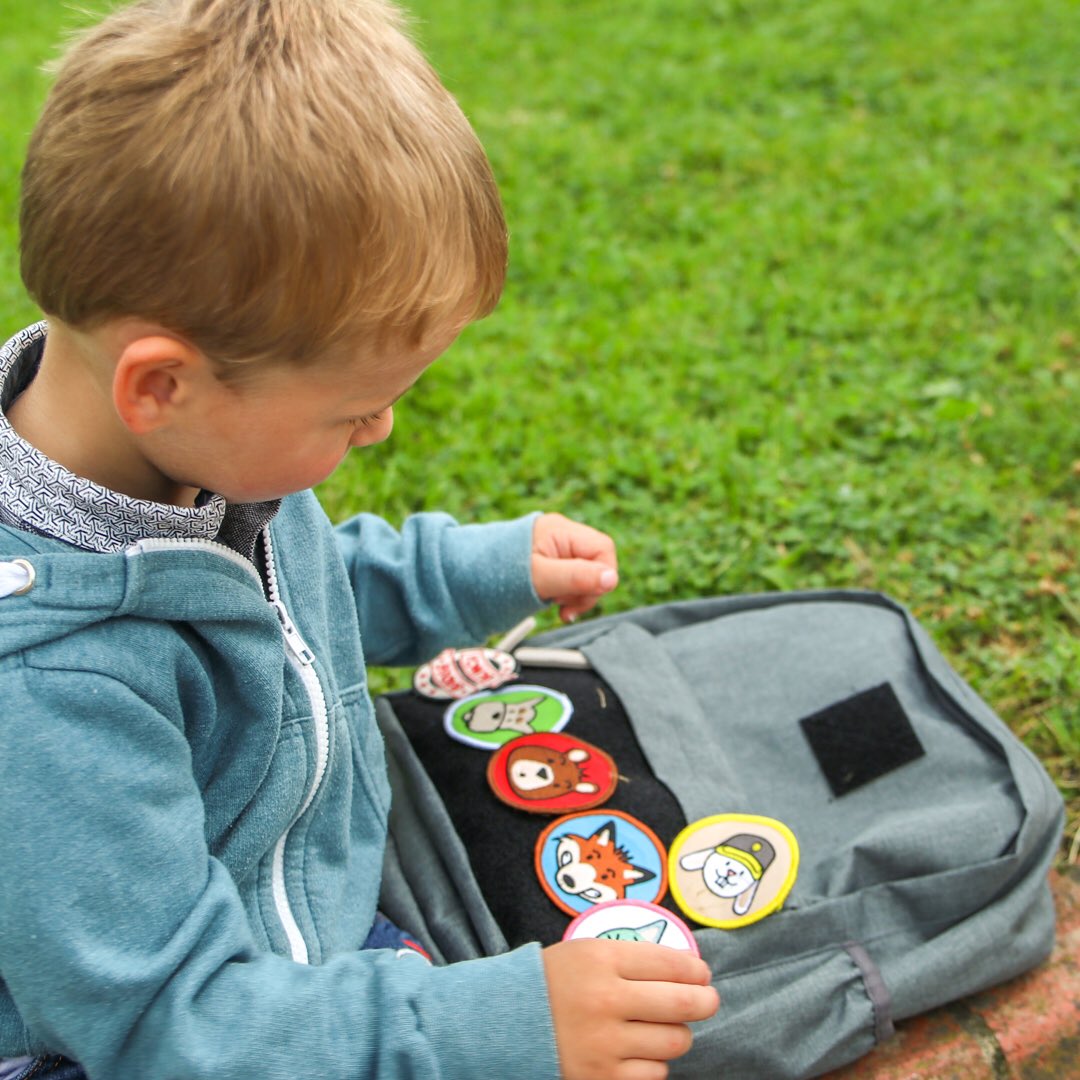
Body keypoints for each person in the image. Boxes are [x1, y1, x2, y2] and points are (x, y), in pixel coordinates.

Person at [0, 1, 720, 1078]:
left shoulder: (193, 459)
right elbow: (168, 1029)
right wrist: (489, 1029)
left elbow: (289, 595)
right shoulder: (47, 698)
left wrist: (462, 571)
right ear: (163, 384)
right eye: (353, 411)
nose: (379, 429)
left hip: (299, 937)